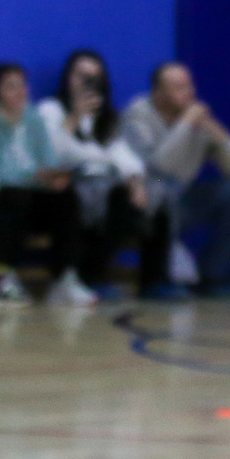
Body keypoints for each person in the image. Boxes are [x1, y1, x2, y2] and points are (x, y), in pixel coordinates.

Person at [39, 48, 171, 299]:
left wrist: (136, 183)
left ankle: (154, 281)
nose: (86, 83)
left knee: (150, 195)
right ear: (68, 77)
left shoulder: (109, 118)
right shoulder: (51, 110)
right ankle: (85, 277)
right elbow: (52, 154)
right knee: (82, 198)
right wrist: (75, 117)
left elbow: (123, 156)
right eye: (80, 76)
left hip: (106, 185)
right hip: (70, 182)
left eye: (94, 78)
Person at [121, 61, 230, 297]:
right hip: (148, 197)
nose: (188, 92)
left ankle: (213, 275)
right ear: (158, 93)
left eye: (189, 85)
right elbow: (159, 166)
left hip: (183, 198)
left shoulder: (197, 120)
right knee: (163, 192)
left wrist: (219, 135)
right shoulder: (137, 115)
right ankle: (158, 281)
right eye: (177, 87)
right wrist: (185, 124)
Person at [0, 61, 88, 306]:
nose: (20, 92)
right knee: (14, 195)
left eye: (22, 85)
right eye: (11, 86)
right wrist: (34, 175)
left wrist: (54, 177)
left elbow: (48, 159)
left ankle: (65, 277)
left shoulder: (33, 117)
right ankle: (2, 277)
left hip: (34, 193)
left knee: (67, 197)